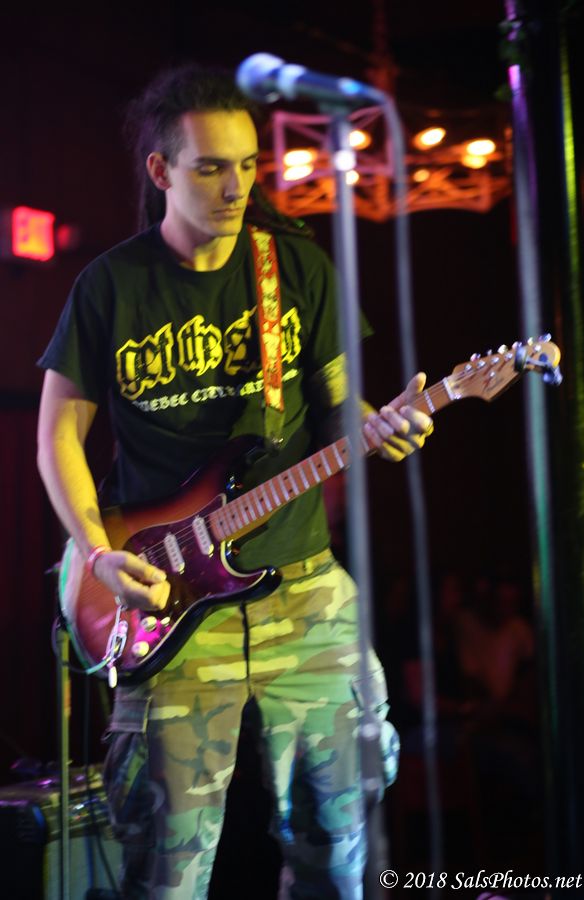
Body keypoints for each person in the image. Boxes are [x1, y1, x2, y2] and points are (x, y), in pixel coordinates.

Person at [36, 64, 433, 900]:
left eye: (249, 165)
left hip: (304, 593)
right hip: (167, 598)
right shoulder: (110, 285)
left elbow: (340, 406)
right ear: (161, 170)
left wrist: (383, 426)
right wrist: (97, 553)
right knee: (168, 869)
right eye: (212, 167)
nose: (236, 186)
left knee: (342, 851)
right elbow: (57, 438)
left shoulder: (297, 269)